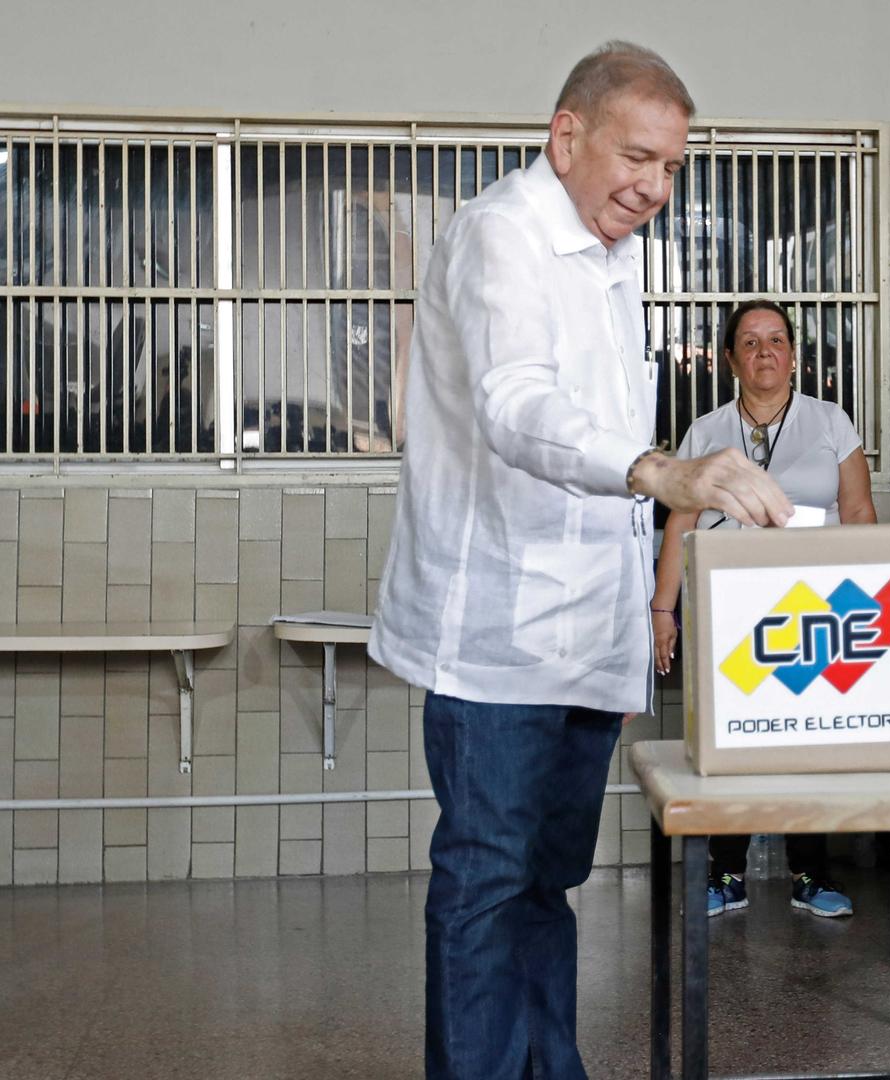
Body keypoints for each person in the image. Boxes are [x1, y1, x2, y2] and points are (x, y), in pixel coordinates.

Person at [369, 42, 794, 1079]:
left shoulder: (613, 253)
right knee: (486, 880)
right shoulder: (500, 237)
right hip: (501, 638)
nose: (654, 187)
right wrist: (666, 473)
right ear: (566, 136)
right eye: (637, 157)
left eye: (673, 168)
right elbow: (519, 410)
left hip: (587, 633)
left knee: (548, 880)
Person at [651, 298, 876, 918]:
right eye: (749, 342)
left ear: (794, 355)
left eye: (775, 340)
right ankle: (725, 874)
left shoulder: (830, 420)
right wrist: (661, 610)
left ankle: (812, 872)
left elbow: (858, 512)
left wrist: (865, 598)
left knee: (809, 737)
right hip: (730, 607)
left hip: (816, 606)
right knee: (732, 740)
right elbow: (680, 524)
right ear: (730, 359)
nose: (764, 352)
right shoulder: (706, 429)